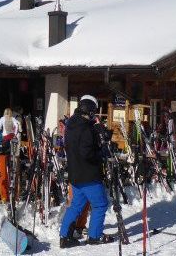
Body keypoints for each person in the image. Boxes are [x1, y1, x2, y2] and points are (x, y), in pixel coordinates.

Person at [59, 95, 113, 248]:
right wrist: (102, 152)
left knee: (76, 205)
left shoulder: (71, 124)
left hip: (75, 174)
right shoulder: (86, 128)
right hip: (89, 175)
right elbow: (87, 153)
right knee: (100, 204)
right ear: (89, 110)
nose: (94, 115)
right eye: (93, 112)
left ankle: (65, 236)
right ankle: (94, 236)